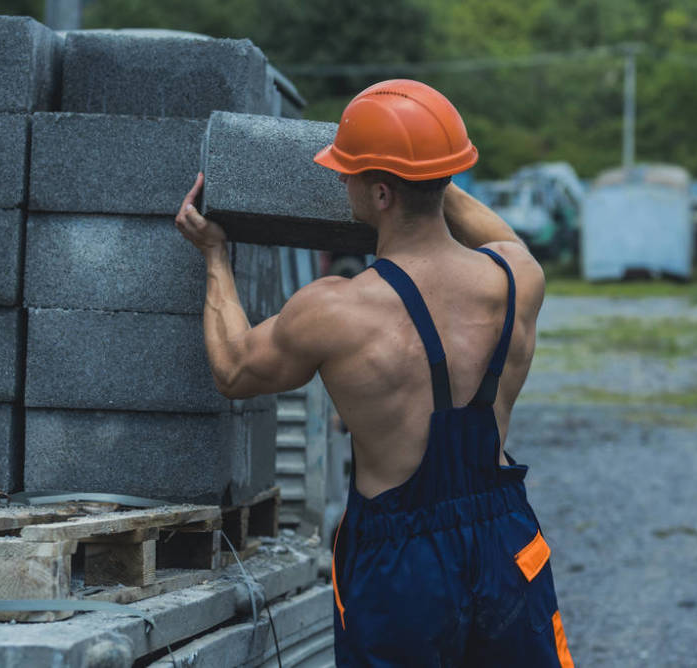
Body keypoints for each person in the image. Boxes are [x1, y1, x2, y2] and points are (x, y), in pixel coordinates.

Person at [175, 79, 573, 667]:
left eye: (349, 172)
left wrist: (214, 257)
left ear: (381, 194)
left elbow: (233, 369)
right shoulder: (516, 278)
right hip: (505, 546)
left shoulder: (337, 309)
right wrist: (427, 171)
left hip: (401, 568)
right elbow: (498, 236)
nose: (339, 180)